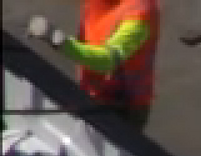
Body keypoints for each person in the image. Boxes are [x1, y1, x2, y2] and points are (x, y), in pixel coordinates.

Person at [27, 0, 162, 132]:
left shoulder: (140, 12)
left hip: (122, 107)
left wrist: (58, 40)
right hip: (92, 92)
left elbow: (107, 60)